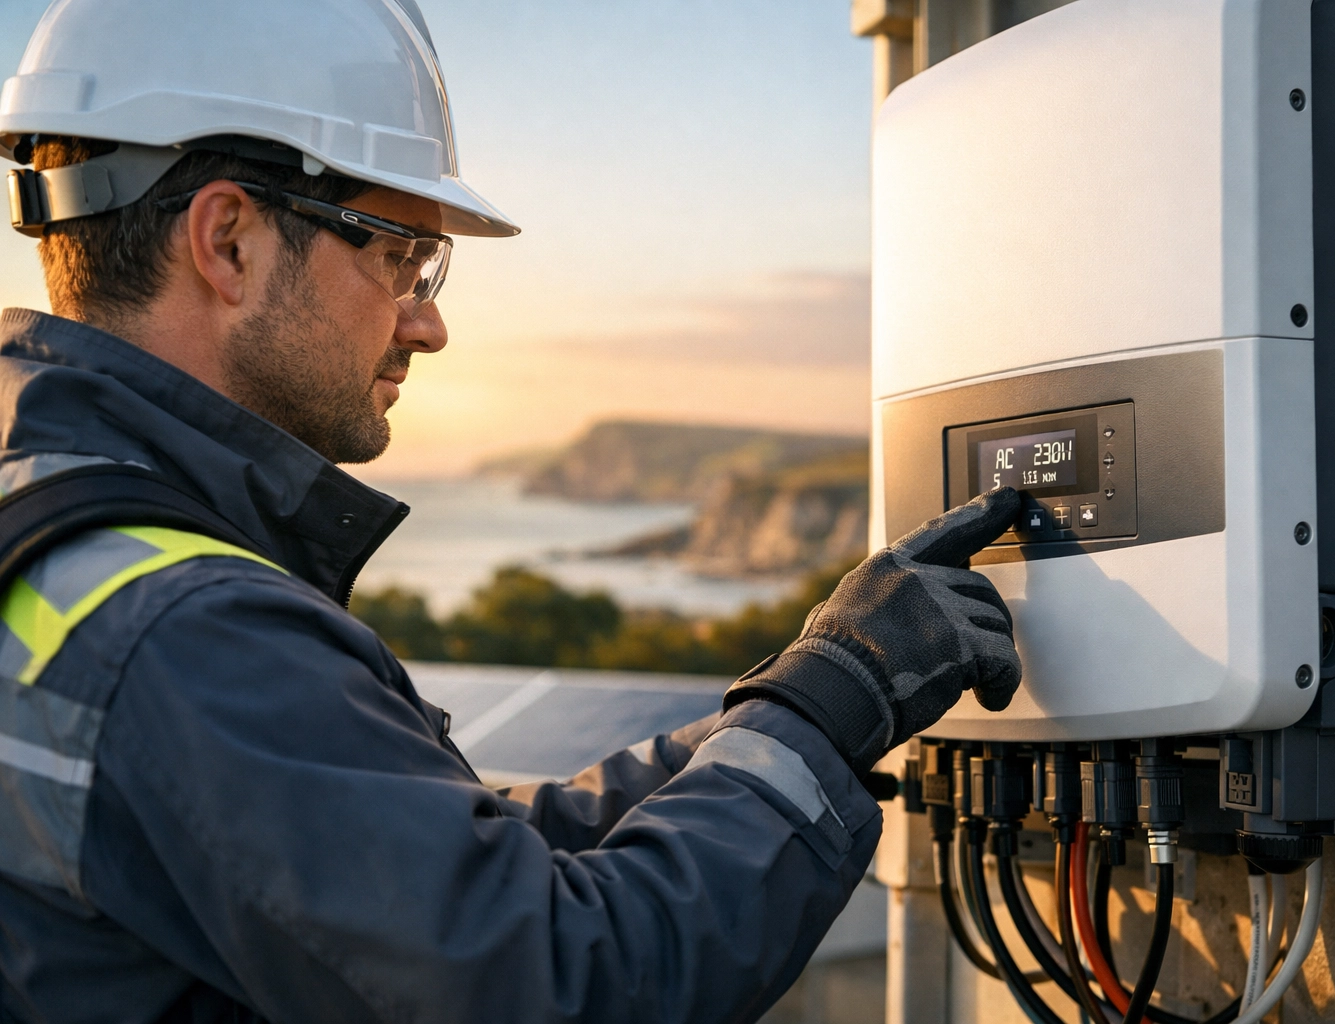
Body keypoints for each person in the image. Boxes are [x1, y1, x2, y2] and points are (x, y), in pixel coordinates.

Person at [0, 2, 1024, 1021]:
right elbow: (557, 978)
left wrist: (768, 713)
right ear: (228, 241)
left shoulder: (57, 518)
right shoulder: (186, 634)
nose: (429, 321)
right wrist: (835, 710)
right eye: (398, 252)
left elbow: (454, 863)